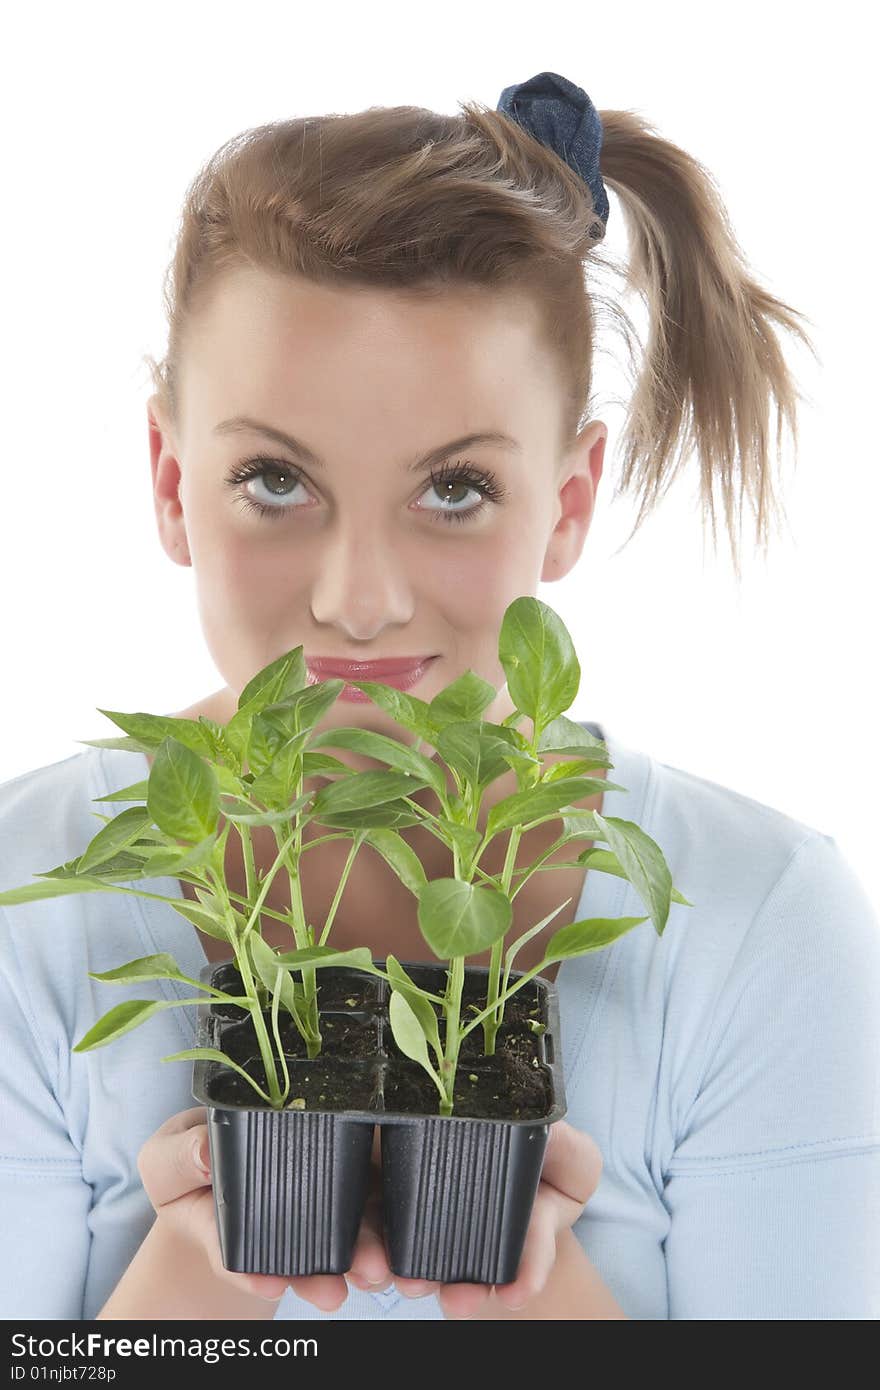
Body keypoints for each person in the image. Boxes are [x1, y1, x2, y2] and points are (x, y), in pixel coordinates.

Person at [1, 72, 878, 1322]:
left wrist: (525, 1274)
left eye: (453, 488)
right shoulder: (22, 911)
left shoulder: (760, 927)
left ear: (568, 502)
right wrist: (205, 1265)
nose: (360, 600)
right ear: (168, 479)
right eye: (274, 479)